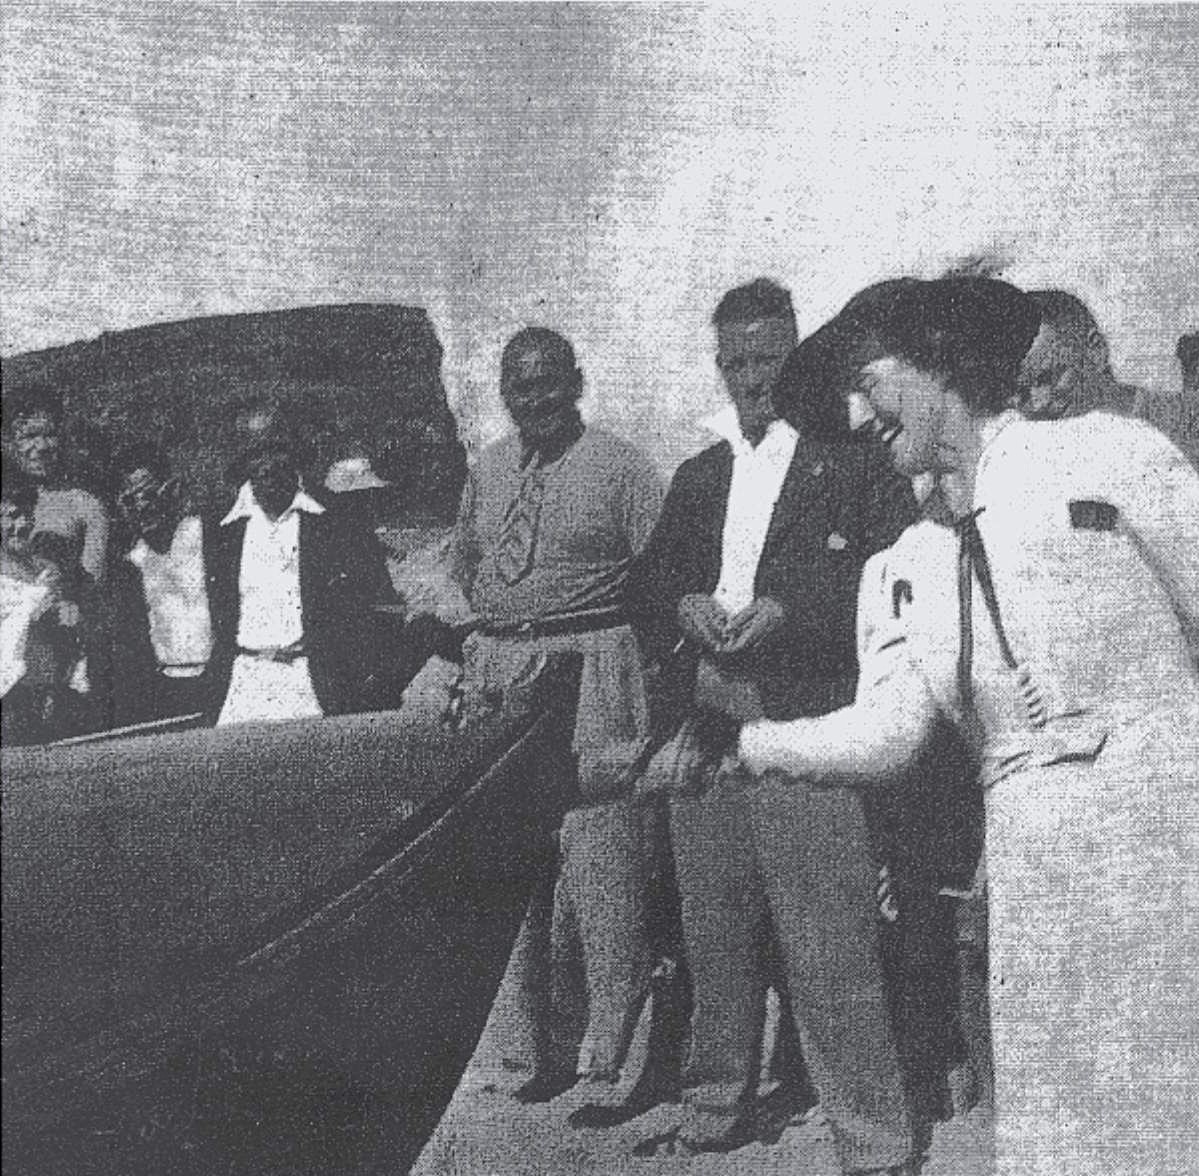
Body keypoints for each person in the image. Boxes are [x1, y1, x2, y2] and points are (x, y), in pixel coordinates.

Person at [739, 275, 1199, 1176]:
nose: (856, 414)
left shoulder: (1112, 452)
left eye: (865, 381)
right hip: (1034, 873)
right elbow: (887, 733)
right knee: (1062, 1135)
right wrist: (746, 745)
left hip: (1166, 838)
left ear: (938, 362)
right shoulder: (903, 564)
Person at [628, 278, 920, 1169]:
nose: (755, 379)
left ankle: (873, 1140)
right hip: (708, 713)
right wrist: (682, 603)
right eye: (738, 362)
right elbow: (647, 586)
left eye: (771, 359)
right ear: (719, 367)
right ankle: (715, 1106)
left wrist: (791, 612)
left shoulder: (856, 463)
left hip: (808, 716)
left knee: (828, 941)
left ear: (798, 360)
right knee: (714, 935)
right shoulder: (701, 473)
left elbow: (894, 581)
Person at [448, 326, 664, 1103]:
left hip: (593, 666)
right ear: (504, 393)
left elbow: (663, 576)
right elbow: (467, 565)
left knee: (605, 866)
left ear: (575, 381)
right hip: (502, 674)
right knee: (510, 869)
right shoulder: (488, 468)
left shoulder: (621, 467)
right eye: (519, 385)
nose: (534, 398)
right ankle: (529, 1054)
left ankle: (613, 1059)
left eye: (547, 382)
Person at [208, 418, 398, 725]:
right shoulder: (224, 530)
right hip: (244, 685)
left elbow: (370, 604)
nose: (268, 466)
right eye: (257, 456)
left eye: (277, 453)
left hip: (311, 683)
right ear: (244, 464)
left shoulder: (333, 520)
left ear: (295, 457)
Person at [103, 443, 217, 728]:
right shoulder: (132, 563)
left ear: (173, 490)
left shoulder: (209, 537)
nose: (142, 507)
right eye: (130, 500)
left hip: (221, 679)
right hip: (167, 690)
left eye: (149, 495)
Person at [1, 465, 81, 744]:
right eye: (12, 516)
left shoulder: (47, 570)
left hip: (46, 688)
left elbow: (64, 631)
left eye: (28, 514)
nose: (22, 524)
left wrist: (68, 611)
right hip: (8, 694)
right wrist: (31, 614)